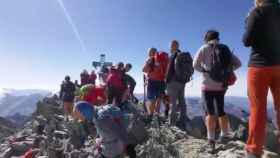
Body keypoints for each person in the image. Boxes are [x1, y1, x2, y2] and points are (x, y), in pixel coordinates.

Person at [243, 0, 280, 157]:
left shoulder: (257, 12)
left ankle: (254, 150)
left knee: (258, 109)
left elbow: (246, 41)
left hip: (259, 67)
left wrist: (248, 21)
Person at [193, 30, 241, 151]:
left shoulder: (203, 48)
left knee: (210, 113)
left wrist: (204, 70)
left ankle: (211, 140)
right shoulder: (224, 48)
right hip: (221, 86)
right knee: (221, 110)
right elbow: (239, 63)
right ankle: (224, 135)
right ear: (218, 38)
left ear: (206, 38)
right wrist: (228, 70)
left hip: (207, 86)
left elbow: (195, 65)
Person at [166, 40, 193, 129]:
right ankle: (182, 120)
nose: (170, 47)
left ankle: (172, 124)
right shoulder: (183, 55)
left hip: (173, 82)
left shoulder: (173, 55)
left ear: (173, 46)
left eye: (171, 45)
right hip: (182, 82)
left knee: (173, 103)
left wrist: (167, 81)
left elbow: (169, 71)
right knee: (182, 101)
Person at [142, 48, 167, 120]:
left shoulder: (150, 59)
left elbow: (144, 70)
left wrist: (150, 70)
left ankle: (150, 116)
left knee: (152, 100)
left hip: (152, 81)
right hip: (162, 82)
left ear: (151, 52)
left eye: (149, 52)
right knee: (158, 100)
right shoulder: (163, 60)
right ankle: (157, 115)